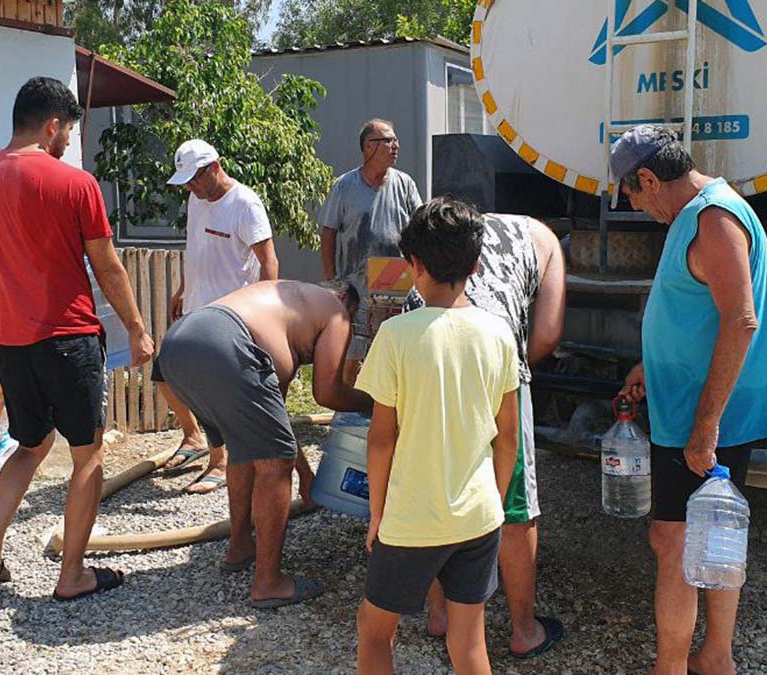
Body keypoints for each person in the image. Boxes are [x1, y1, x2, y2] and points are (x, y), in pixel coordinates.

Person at [0, 77, 154, 601]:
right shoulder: (74, 183)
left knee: (30, 444)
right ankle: (73, 576)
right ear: (51, 126)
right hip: (67, 339)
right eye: (68, 129)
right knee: (88, 455)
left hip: (10, 341)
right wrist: (136, 329)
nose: (68, 140)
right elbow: (107, 265)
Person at [611, 125, 767, 675]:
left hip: (710, 411)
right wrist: (655, 362)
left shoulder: (713, 219)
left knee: (673, 539)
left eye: (632, 194)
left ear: (648, 177)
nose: (634, 206)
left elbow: (741, 322)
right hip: (693, 401)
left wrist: (707, 424)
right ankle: (715, 657)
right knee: (712, 530)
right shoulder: (697, 211)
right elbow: (701, 311)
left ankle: (674, 668)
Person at [355, 198, 520, 675]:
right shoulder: (499, 334)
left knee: (374, 629)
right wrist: (494, 497)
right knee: (469, 642)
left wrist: (377, 514)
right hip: (479, 515)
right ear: (476, 264)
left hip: (412, 520)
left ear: (414, 265)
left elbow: (381, 439)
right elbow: (506, 437)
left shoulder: (397, 336)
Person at [156, 281, 369, 607]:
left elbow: (274, 426)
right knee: (274, 463)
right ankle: (268, 583)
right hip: (225, 344)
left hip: (180, 343)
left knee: (248, 447)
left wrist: (307, 473)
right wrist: (378, 404)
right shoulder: (337, 311)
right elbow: (328, 393)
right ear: (345, 300)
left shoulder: (286, 301)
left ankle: (240, 546)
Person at [414, 214, 568, 659]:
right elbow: (548, 333)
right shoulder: (544, 241)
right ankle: (524, 630)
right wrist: (517, 371)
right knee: (514, 503)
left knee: (439, 481)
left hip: (421, 343)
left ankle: (438, 614)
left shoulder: (445, 236)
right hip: (493, 353)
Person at [153, 139, 280, 494]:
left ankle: (220, 462)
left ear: (214, 167)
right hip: (194, 308)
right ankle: (193, 438)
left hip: (228, 317)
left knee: (215, 392)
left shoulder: (245, 204)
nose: (191, 187)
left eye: (195, 179)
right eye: (187, 182)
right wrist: (182, 289)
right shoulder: (197, 200)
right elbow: (197, 249)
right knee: (163, 373)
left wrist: (266, 313)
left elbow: (269, 262)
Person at [319, 118, 422, 385]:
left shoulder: (404, 184)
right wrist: (333, 282)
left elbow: (421, 228)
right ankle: (348, 406)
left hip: (396, 281)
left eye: (395, 140)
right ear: (368, 147)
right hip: (355, 283)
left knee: (394, 347)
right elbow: (328, 233)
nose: (395, 146)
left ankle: (391, 404)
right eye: (387, 140)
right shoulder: (345, 186)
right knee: (353, 348)